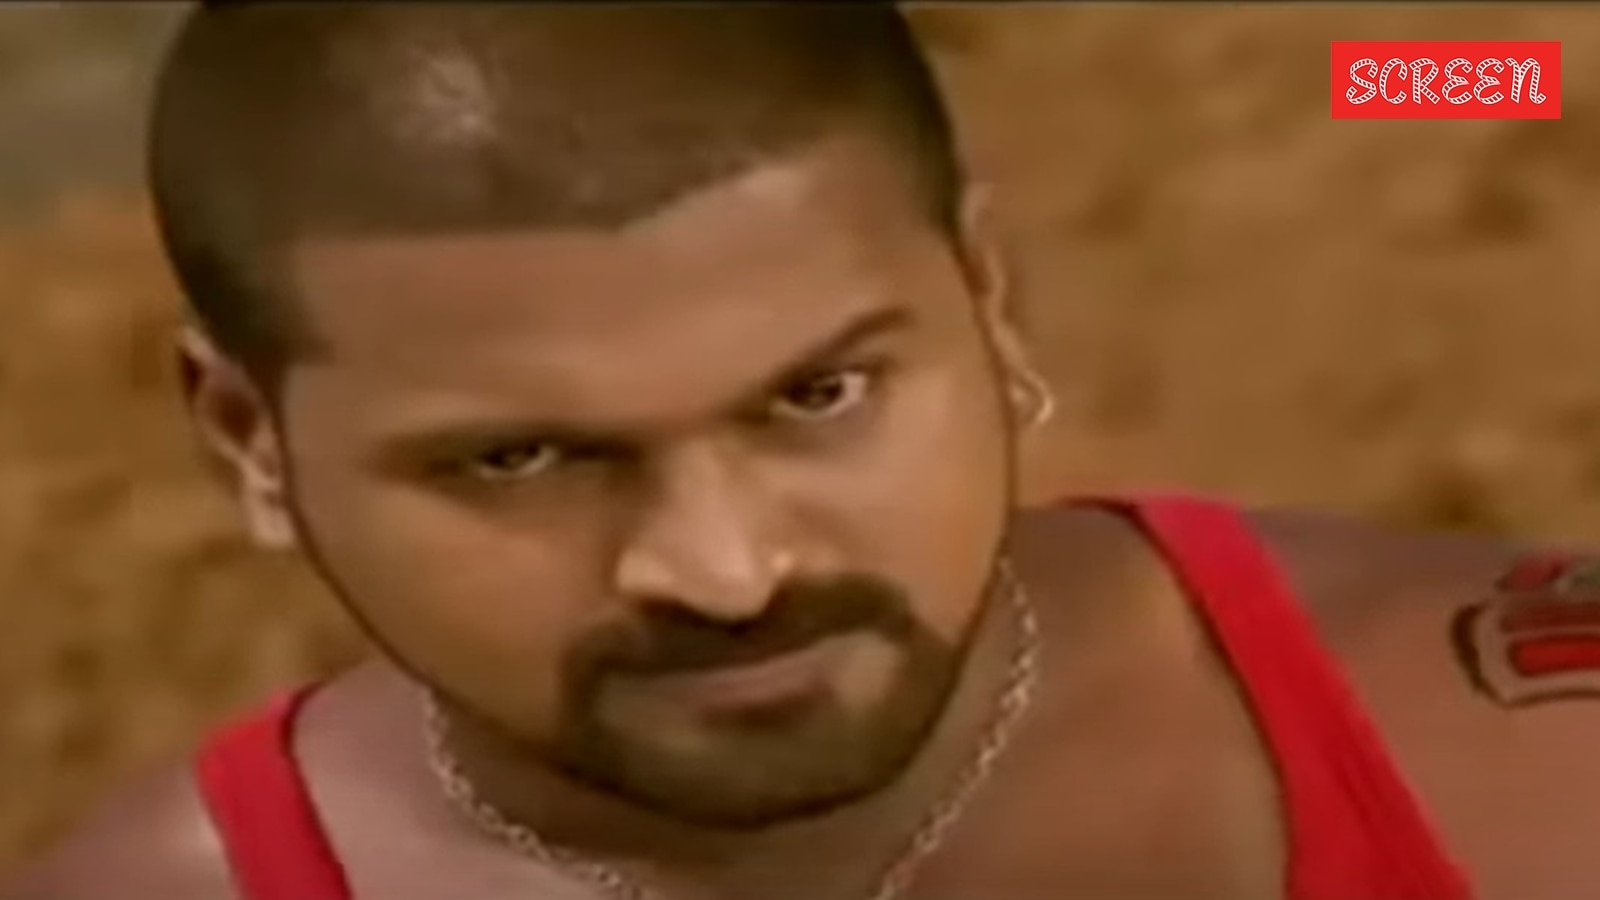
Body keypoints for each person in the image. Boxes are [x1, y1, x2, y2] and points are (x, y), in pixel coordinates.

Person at [4, 3, 1597, 899]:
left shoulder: (1535, 760)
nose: (725, 571)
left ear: (989, 299)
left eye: (820, 396)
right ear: (248, 440)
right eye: (521, 460)